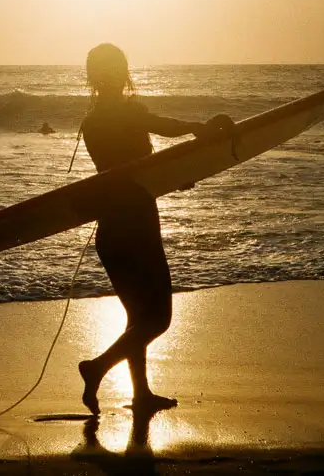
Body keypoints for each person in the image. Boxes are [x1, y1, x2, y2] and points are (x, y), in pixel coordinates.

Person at [76, 43, 234, 415]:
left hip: (112, 231)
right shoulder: (124, 114)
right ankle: (96, 368)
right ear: (118, 73)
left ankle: (141, 394)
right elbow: (161, 128)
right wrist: (199, 129)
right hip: (136, 227)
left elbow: (125, 173)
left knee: (138, 318)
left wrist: (172, 179)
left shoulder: (93, 120)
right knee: (158, 318)